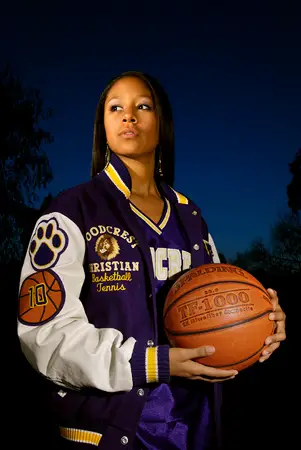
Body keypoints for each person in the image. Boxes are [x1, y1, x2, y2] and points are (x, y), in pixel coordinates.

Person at [17, 71, 286, 450]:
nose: (129, 116)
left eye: (143, 106)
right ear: (103, 128)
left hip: (197, 429)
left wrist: (260, 326)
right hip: (110, 433)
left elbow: (218, 310)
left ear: (162, 126)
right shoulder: (71, 210)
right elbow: (44, 335)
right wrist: (152, 363)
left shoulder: (191, 218)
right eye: (116, 108)